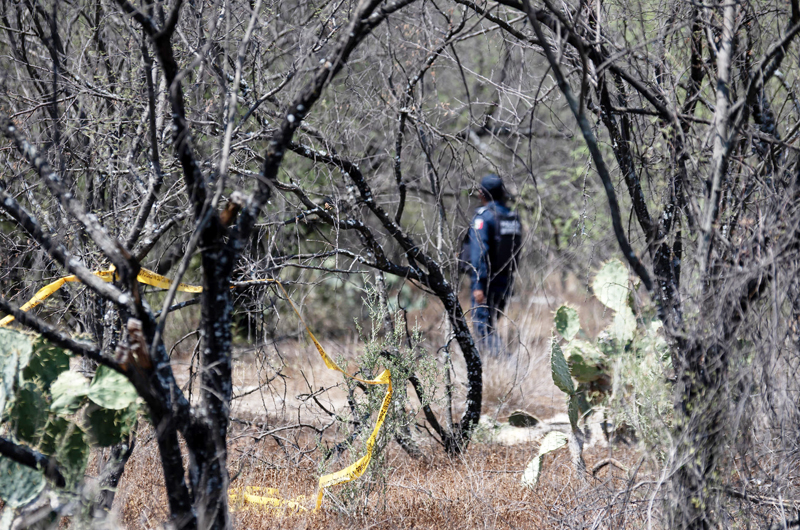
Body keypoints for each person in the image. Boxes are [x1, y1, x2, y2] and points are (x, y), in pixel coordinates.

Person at [467, 174, 522, 354]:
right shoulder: (512, 217)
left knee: (483, 327)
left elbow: (480, 252)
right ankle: (493, 364)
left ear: (484, 193)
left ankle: (504, 364)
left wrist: (478, 284)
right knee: (489, 324)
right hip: (505, 281)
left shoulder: (484, 217)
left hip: (486, 283)